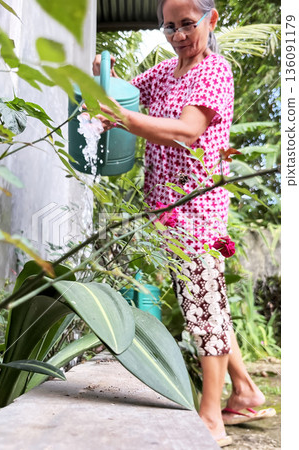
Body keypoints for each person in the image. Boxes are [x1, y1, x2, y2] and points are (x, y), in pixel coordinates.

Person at [93, 0, 275, 447]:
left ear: (211, 21)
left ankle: (211, 417)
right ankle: (246, 392)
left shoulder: (215, 70)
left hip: (197, 207)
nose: (177, 35)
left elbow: (187, 130)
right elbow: (120, 90)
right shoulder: (162, 73)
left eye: (187, 25)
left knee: (203, 306)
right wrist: (98, 70)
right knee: (204, 301)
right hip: (166, 208)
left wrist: (124, 119)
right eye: (169, 27)